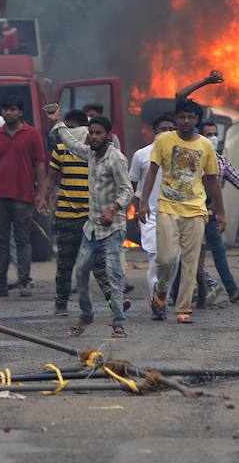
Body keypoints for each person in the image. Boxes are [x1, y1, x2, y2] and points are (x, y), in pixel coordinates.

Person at [138, 98, 225, 324]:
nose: (186, 121)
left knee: (190, 261)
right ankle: (160, 291)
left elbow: (212, 180)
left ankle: (183, 307)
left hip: (196, 209)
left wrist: (220, 210)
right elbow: (152, 172)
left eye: (191, 117)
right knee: (166, 259)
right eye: (182, 117)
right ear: (177, 119)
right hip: (167, 207)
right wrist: (144, 202)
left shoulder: (206, 145)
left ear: (197, 120)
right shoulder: (164, 141)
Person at [50, 112, 133, 338]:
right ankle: (87, 314)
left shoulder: (116, 159)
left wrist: (113, 209)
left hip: (113, 229)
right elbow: (70, 142)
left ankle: (118, 322)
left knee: (114, 275)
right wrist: (56, 120)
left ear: (108, 135)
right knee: (81, 271)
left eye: (99, 133)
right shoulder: (90, 155)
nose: (94, 137)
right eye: (92, 133)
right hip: (92, 228)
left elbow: (127, 190)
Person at [42, 109, 117, 316]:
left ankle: (113, 301)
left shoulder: (97, 152)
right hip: (66, 214)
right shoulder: (60, 149)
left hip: (91, 216)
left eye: (73, 129)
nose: (70, 134)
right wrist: (43, 198)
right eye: (68, 129)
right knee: (65, 262)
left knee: (100, 262)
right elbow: (51, 177)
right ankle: (61, 302)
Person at [0, 95, 46, 297]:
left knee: (22, 240)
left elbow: (39, 164)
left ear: (20, 112)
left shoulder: (32, 134)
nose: (8, 112)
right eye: (5, 109)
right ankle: (0, 283)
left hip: (23, 195)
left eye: (12, 109)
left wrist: (41, 193)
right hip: (0, 195)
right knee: (0, 241)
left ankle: (24, 281)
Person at [197, 120, 239, 304]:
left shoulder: (221, 161)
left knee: (218, 250)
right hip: (191, 212)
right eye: (208, 134)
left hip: (210, 213)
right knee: (188, 255)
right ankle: (175, 293)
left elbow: (238, 180)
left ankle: (232, 291)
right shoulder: (193, 157)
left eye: (214, 133)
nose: (213, 138)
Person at [130, 113, 177, 294]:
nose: (167, 132)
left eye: (171, 129)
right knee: (155, 258)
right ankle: (156, 300)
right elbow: (133, 186)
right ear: (154, 132)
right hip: (150, 214)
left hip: (176, 214)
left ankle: (163, 294)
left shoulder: (182, 155)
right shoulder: (141, 155)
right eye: (163, 129)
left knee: (173, 260)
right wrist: (135, 209)